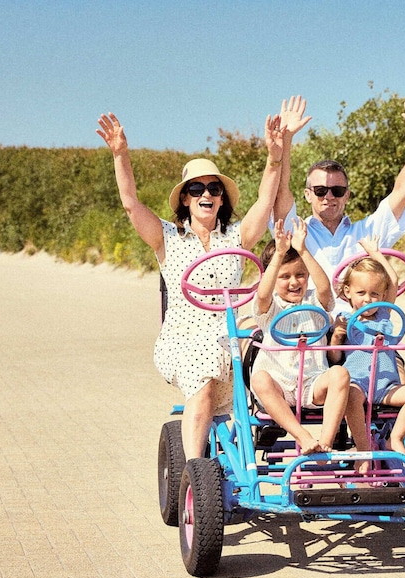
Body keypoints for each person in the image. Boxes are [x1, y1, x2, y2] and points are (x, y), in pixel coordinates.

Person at [97, 110, 285, 463]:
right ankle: (195, 472)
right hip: (183, 338)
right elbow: (131, 204)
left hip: (229, 337)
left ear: (221, 198)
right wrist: (120, 155)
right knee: (204, 380)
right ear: (185, 198)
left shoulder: (235, 236)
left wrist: (274, 158)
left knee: (272, 344)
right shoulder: (168, 237)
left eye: (214, 189)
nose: (206, 194)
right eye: (196, 189)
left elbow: (265, 202)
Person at [271, 97, 405, 458]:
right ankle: (335, 449)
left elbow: (402, 192)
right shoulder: (296, 230)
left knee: (403, 379)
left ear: (347, 194)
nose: (329, 197)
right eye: (320, 190)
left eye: (337, 190)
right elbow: (280, 195)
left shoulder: (365, 232)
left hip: (363, 339)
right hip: (312, 342)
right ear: (309, 194)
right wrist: (286, 142)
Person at [250, 218, 371, 456]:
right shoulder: (271, 307)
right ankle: (302, 436)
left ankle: (325, 443)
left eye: (300, 275)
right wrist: (279, 254)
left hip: (312, 384)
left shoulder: (315, 302)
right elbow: (263, 295)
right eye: (285, 277)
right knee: (259, 379)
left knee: (340, 374)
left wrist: (303, 250)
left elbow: (325, 288)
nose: (294, 282)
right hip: (278, 384)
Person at [329, 237, 405, 461]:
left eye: (374, 294)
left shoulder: (383, 315)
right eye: (361, 293)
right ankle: (362, 447)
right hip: (358, 384)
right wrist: (337, 336)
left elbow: (393, 280)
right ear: (348, 291)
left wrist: (375, 253)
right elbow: (334, 357)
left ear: (382, 295)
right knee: (351, 396)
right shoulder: (345, 320)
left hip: (386, 386)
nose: (368, 300)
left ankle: (396, 438)